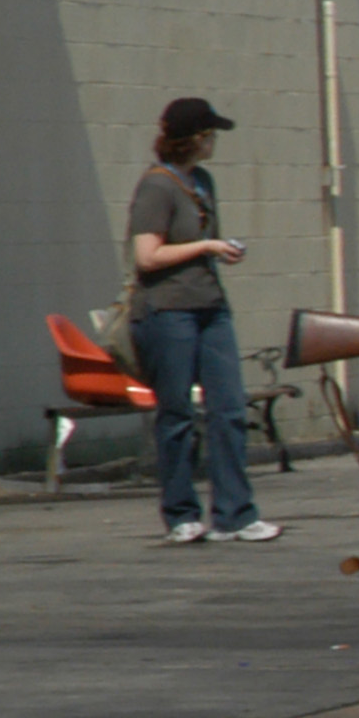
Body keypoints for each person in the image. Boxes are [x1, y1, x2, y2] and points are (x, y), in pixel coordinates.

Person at [125, 94, 278, 546]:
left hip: (210, 306)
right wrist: (207, 247)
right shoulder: (156, 187)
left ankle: (236, 514)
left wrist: (220, 252)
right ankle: (180, 514)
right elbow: (147, 256)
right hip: (167, 311)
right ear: (194, 138)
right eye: (210, 134)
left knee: (229, 408)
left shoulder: (203, 182)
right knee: (176, 414)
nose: (214, 143)